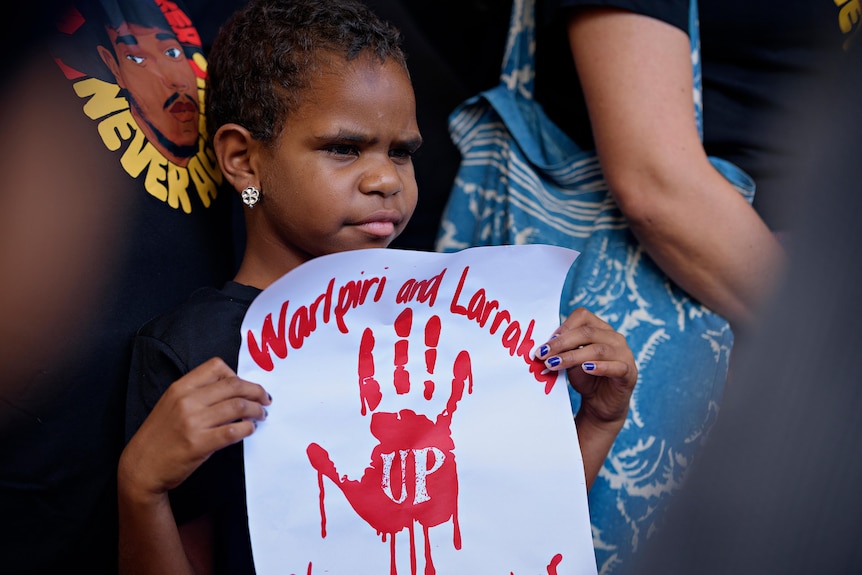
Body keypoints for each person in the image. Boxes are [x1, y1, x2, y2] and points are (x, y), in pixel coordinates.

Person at [117, 1, 639, 572]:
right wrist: (142, 490)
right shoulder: (195, 352)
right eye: (344, 148)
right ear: (243, 160)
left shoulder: (458, 326)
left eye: (402, 152)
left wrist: (598, 420)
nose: (386, 178)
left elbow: (514, 537)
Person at [0, 1, 237, 572]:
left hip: (202, 468)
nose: (168, 74)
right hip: (35, 500)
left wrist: (252, 196)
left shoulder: (227, 16)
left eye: (174, 54)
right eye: (135, 57)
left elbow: (266, 183)